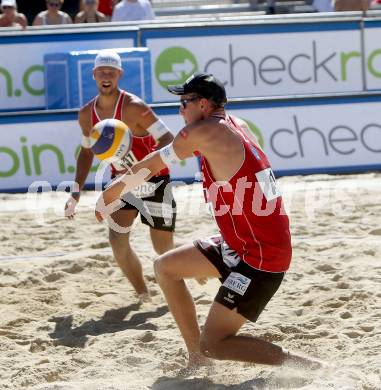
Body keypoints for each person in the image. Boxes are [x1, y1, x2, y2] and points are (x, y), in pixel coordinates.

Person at [94, 72, 325, 370]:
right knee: (166, 268)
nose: (180, 110)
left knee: (215, 343)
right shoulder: (235, 125)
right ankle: (197, 359)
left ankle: (309, 368)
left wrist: (112, 192)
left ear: (202, 104)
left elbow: (152, 165)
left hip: (261, 255)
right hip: (241, 243)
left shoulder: (204, 132)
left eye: (184, 103)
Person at [65, 49, 176, 302]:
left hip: (154, 179)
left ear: (119, 75)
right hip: (122, 184)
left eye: (111, 72)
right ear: (94, 75)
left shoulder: (135, 107)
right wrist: (75, 192)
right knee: (117, 240)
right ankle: (143, 294)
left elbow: (167, 138)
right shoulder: (86, 115)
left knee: (162, 248)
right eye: (101, 71)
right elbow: (85, 154)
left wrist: (146, 166)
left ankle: (192, 265)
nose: (106, 75)